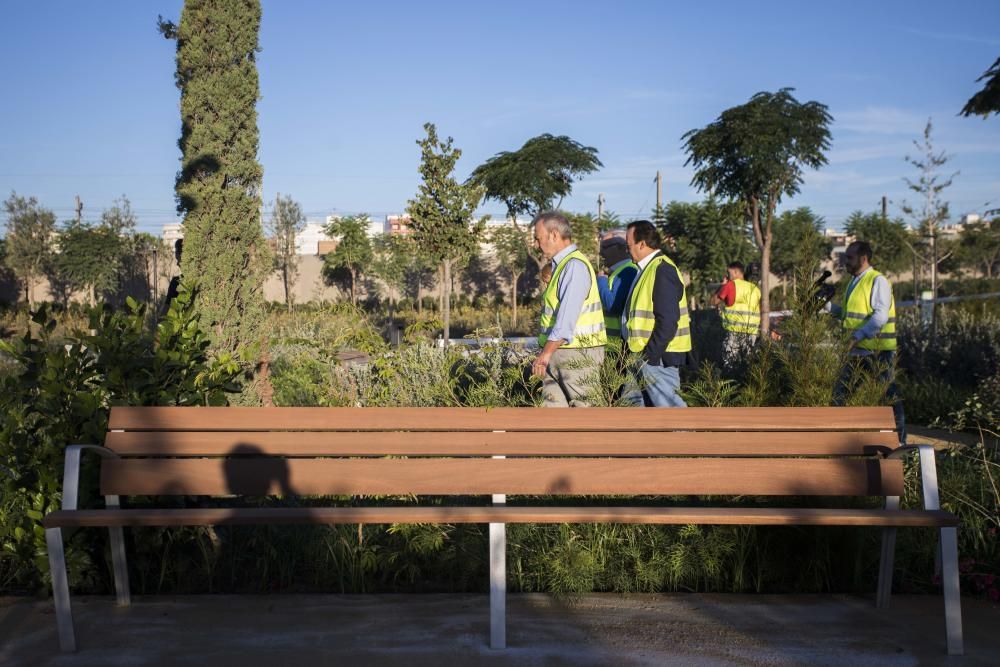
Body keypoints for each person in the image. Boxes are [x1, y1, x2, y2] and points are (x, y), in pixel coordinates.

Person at [831, 240, 905, 442]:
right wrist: (827, 307)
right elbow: (851, 315)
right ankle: (837, 440)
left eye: (850, 257)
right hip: (856, 351)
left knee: (887, 398)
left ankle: (899, 441)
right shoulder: (854, 282)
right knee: (841, 395)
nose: (846, 261)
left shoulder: (877, 280)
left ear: (863, 258)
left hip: (877, 351)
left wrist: (857, 336)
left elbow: (880, 316)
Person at [531, 211, 607, 407]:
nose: (536, 245)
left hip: (577, 356)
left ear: (554, 235)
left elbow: (566, 321)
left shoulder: (574, 266)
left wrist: (545, 354)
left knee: (587, 418)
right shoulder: (562, 266)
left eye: (538, 239)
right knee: (553, 422)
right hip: (560, 353)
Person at [620, 220, 690, 408]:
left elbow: (668, 319)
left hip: (656, 359)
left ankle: (687, 438)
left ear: (642, 244)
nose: (627, 250)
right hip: (640, 355)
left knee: (671, 413)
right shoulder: (646, 270)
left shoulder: (661, 269)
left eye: (629, 245)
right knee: (633, 412)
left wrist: (651, 356)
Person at [711, 261, 761, 363]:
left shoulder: (730, 285)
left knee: (731, 364)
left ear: (735, 272)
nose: (727, 276)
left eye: (728, 273)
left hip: (734, 333)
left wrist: (722, 284)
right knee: (748, 364)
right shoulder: (755, 289)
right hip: (752, 333)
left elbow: (713, 301)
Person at [596, 235, 638, 343]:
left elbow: (613, 305)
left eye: (605, 248)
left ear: (620, 250)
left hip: (618, 344)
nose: (601, 253)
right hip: (612, 342)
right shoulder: (618, 271)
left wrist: (601, 281)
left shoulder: (628, 271)